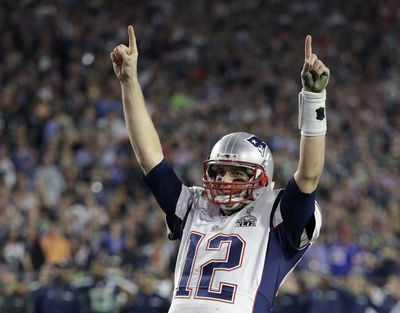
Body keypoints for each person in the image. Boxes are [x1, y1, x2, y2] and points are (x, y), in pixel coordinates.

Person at [110, 25, 330, 313]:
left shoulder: (276, 210)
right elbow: (150, 158)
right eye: (219, 172)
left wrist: (313, 98)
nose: (225, 179)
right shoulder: (194, 204)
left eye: (238, 174)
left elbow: (309, 175)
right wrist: (129, 81)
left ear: (262, 178)